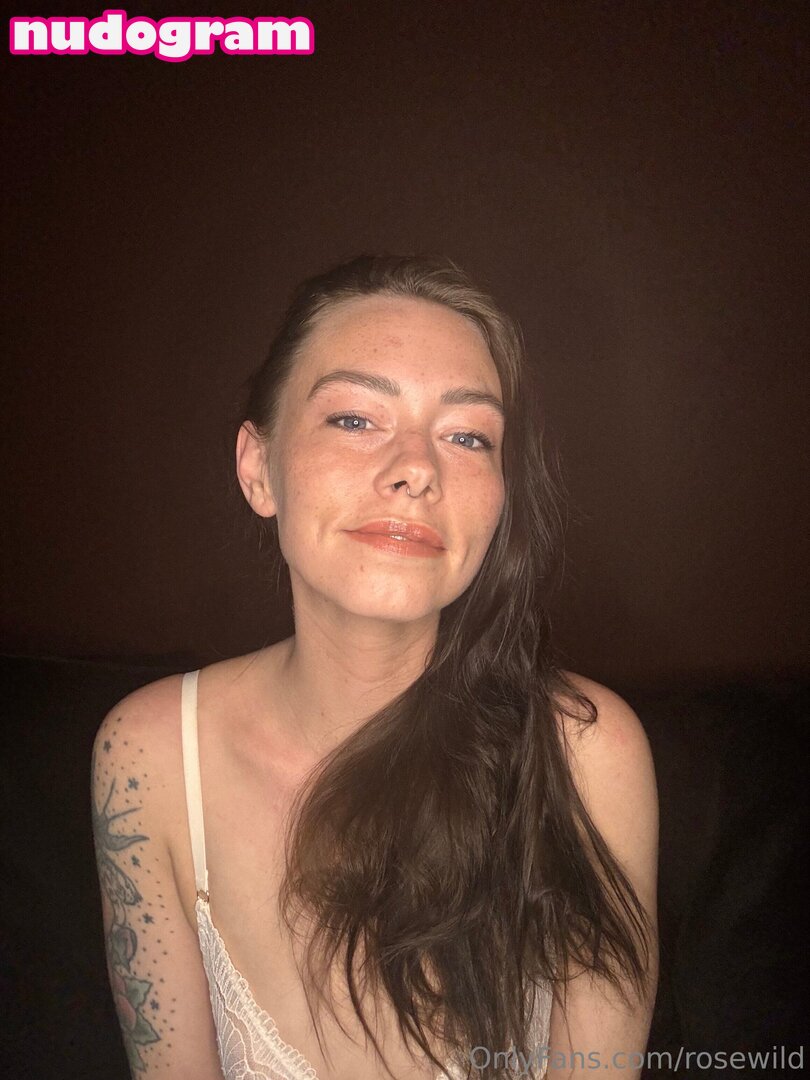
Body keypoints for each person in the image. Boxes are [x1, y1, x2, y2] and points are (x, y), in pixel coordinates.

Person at [91, 254, 659, 1080]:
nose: (417, 468)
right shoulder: (148, 758)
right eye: (356, 419)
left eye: (467, 436)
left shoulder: (587, 755)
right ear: (258, 469)